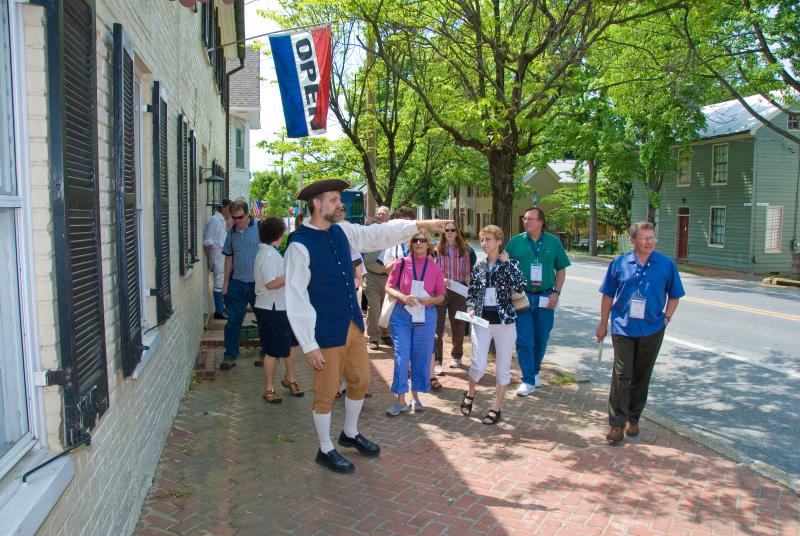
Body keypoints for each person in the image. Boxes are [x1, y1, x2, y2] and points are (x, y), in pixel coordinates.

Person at [284, 178, 449, 474]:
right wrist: (308, 344)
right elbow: (295, 297)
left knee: (360, 380)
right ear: (317, 204)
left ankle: (349, 433)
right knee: (326, 391)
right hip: (324, 331)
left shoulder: (342, 231)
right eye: (334, 199)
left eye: (339, 198)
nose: (340, 204)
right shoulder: (299, 246)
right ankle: (325, 448)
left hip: (352, 324)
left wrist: (418, 225)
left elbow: (378, 234)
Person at [596, 221, 684, 443]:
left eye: (652, 237)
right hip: (623, 327)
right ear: (633, 240)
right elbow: (608, 295)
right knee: (622, 375)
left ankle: (633, 418)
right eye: (644, 238)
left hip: (652, 328)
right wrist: (603, 323)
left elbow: (675, 295)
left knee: (641, 376)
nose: (649, 242)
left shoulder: (666, 264)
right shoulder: (619, 263)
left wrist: (666, 318)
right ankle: (616, 424)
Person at [460, 225, 527, 425]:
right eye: (482, 240)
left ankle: (497, 406)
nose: (484, 244)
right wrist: (471, 307)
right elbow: (472, 292)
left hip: (505, 323)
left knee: (502, 368)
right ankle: (470, 392)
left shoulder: (510, 263)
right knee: (478, 365)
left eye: (488, 239)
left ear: (499, 241)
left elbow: (521, 285)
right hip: (482, 321)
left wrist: (508, 264)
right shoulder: (479, 266)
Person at [506, 207, 571, 396]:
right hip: (522, 297)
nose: (526, 222)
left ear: (541, 222)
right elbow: (507, 269)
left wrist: (556, 293)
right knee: (525, 340)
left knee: (541, 339)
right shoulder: (515, 243)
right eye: (525, 219)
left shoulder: (553, 242)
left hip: (546, 296)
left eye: (531, 219)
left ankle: (534, 372)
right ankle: (527, 379)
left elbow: (561, 269)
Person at [384, 230, 446, 416]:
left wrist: (430, 301)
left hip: (425, 316)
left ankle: (416, 397)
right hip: (402, 315)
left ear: (428, 244)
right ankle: (400, 400)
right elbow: (388, 287)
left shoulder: (434, 267)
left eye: (423, 240)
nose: (419, 243)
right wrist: (402, 296)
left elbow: (441, 297)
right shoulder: (401, 263)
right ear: (410, 244)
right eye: (415, 240)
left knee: (421, 356)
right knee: (402, 356)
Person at [253, 217, 303, 403]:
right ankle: (269, 388)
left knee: (291, 344)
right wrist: (292, 272)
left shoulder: (269, 252)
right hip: (271, 308)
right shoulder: (268, 255)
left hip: (281, 307)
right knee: (272, 350)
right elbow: (271, 283)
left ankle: (290, 379)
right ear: (279, 235)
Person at [220, 199, 260, 371]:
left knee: (263, 319)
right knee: (233, 321)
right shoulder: (232, 233)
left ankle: (267, 352)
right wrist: (225, 283)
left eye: (240, 217)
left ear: (247, 214)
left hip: (258, 284)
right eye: (233, 218)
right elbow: (228, 257)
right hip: (237, 283)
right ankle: (230, 354)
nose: (236, 221)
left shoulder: (259, 228)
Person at [433, 221, 471, 381]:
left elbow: (467, 273)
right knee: (437, 326)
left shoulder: (464, 251)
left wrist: (472, 293)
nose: (449, 232)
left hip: (459, 291)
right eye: (446, 230)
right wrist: (442, 280)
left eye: (452, 230)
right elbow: (432, 272)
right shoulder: (436, 250)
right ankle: (437, 361)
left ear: (457, 232)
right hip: (440, 290)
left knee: (459, 324)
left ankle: (457, 355)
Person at [362, 205, 392, 349]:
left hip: (388, 276)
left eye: (383, 214)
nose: (380, 216)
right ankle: (373, 337)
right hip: (371, 275)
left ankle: (386, 334)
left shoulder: (393, 233)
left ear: (389, 216)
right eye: (378, 214)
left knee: (386, 306)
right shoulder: (370, 232)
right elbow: (364, 254)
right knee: (373, 306)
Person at [202, 198, 231, 319]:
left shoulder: (222, 221)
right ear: (223, 207)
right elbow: (208, 241)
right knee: (219, 281)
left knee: (223, 280)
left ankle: (223, 308)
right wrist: (210, 259)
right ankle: (219, 311)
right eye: (229, 208)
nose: (231, 211)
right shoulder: (215, 220)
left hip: (222, 255)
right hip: (218, 254)